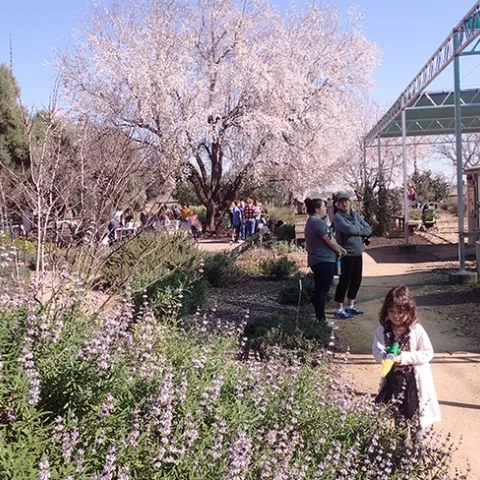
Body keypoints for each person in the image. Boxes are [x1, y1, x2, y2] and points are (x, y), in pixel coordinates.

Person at [373, 286, 441, 434]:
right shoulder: (382, 331)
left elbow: (428, 353)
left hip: (413, 382)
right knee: (396, 414)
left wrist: (404, 357)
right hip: (393, 379)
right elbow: (376, 349)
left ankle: (417, 448)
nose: (395, 316)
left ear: (409, 311)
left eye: (400, 312)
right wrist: (384, 356)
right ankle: (400, 448)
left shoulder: (416, 330)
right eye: (391, 311)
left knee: (414, 416)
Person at [304, 198, 346, 330]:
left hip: (319, 260)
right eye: (323, 206)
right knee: (321, 292)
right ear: (317, 209)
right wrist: (339, 251)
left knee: (320, 291)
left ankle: (320, 319)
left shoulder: (312, 222)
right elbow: (330, 241)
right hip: (323, 261)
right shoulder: (318, 223)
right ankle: (321, 320)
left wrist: (340, 248)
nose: (326, 209)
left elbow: (331, 240)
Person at [333, 192, 371, 319]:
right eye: (342, 201)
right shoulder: (338, 217)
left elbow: (368, 229)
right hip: (345, 254)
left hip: (358, 253)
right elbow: (347, 229)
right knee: (344, 281)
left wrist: (357, 230)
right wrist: (359, 230)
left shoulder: (356, 215)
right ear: (337, 204)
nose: (345, 203)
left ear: (350, 202)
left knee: (356, 280)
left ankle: (350, 306)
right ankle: (339, 309)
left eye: (347, 201)